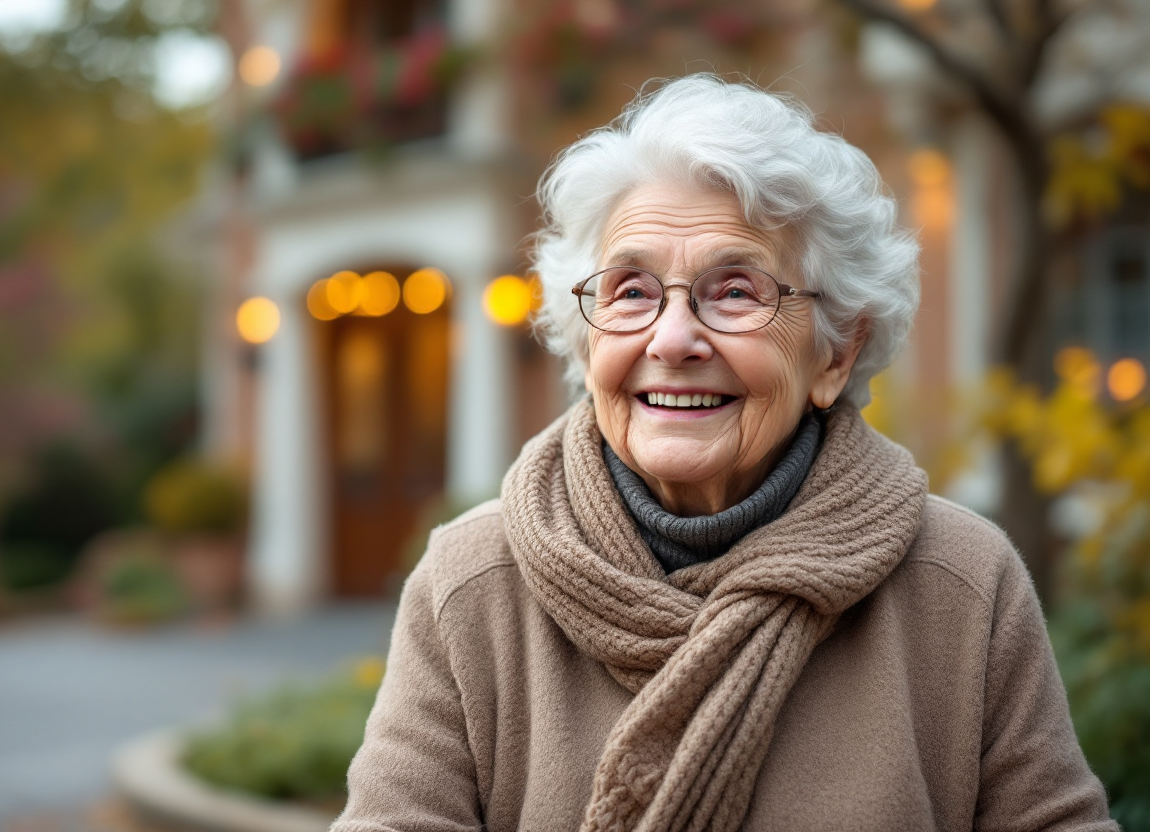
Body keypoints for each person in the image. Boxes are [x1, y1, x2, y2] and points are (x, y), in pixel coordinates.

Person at [332, 75, 1115, 831]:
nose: (671, 340)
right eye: (631, 291)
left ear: (836, 354)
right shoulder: (471, 584)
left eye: (736, 290)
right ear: (587, 336)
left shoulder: (962, 583)